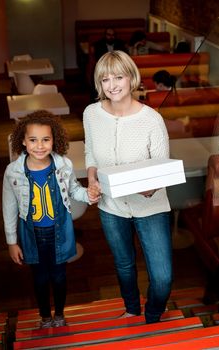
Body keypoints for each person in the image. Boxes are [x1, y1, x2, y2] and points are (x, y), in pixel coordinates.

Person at [83, 50, 172, 324]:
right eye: (105, 79)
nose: (112, 85)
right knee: (124, 265)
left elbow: (161, 169)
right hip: (111, 207)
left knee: (162, 276)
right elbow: (91, 153)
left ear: (131, 77)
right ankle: (132, 310)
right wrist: (91, 178)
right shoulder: (91, 113)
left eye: (118, 76)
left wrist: (150, 187)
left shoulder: (152, 120)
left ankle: (153, 314)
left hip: (151, 207)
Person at [2, 110, 100, 329]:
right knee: (39, 278)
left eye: (46, 139)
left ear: (54, 140)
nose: (40, 146)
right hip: (31, 234)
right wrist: (11, 242)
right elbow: (9, 207)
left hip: (59, 232)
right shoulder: (13, 172)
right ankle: (45, 316)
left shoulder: (63, 165)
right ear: (23, 142)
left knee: (59, 276)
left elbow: (75, 190)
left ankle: (60, 314)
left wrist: (89, 194)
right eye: (33, 140)